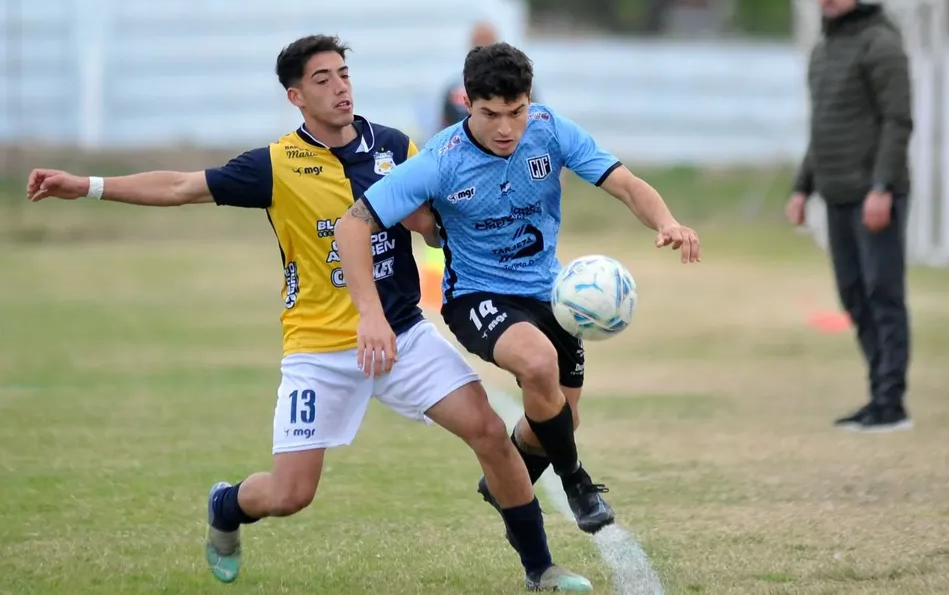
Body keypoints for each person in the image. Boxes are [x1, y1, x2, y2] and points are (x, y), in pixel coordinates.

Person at [24, 34, 593, 593]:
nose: (341, 89)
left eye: (344, 75)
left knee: (491, 432)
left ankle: (540, 569)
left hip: (400, 335)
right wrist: (88, 185)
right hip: (319, 348)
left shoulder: (396, 146)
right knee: (291, 494)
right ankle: (226, 504)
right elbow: (178, 186)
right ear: (296, 96)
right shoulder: (275, 164)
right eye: (323, 80)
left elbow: (435, 213)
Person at [335, 42, 700, 542]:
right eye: (490, 114)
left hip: (550, 293)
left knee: (559, 419)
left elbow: (626, 184)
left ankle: (510, 478)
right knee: (538, 363)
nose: (506, 128)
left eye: (516, 112)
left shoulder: (549, 130)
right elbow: (352, 224)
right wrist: (369, 313)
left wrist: (668, 222)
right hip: (477, 296)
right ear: (468, 104)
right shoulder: (441, 159)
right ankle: (578, 483)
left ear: (530, 100)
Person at [785, 0, 914, 432]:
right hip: (836, 194)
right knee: (855, 296)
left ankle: (891, 401)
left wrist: (882, 188)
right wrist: (802, 187)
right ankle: (878, 394)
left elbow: (898, 122)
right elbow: (824, 130)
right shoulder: (824, 51)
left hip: (874, 194)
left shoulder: (881, 42)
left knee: (884, 294)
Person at [439, 21, 541, 129]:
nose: (483, 47)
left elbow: (534, 120)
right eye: (477, 42)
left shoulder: (519, 84)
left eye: (487, 41)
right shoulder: (455, 89)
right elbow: (445, 125)